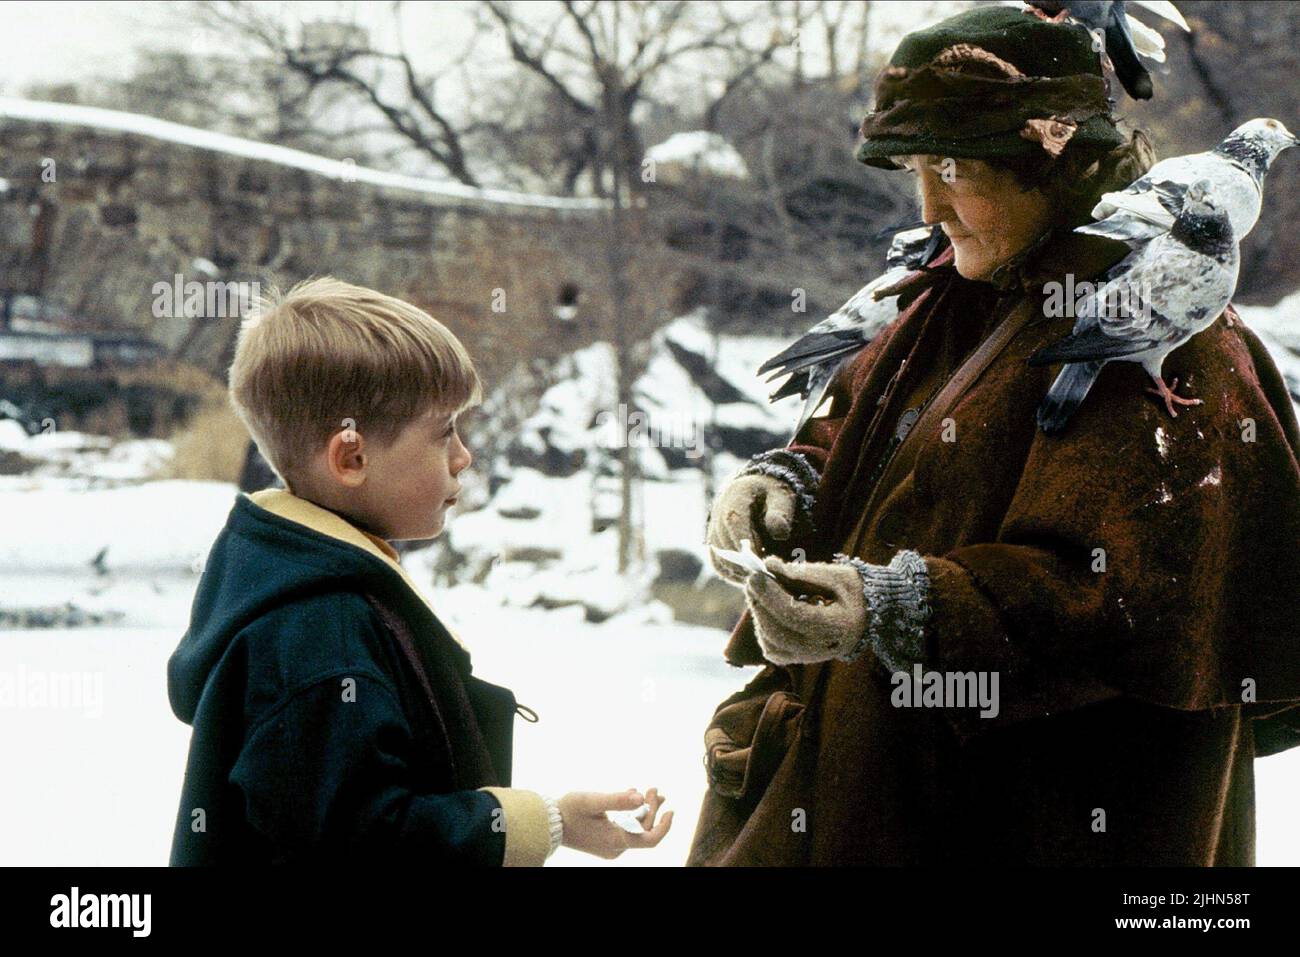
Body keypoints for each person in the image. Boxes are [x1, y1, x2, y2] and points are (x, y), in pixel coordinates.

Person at [690, 4, 1300, 866]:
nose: (931, 204)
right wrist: (788, 485)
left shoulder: (1177, 336)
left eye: (956, 169)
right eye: (917, 168)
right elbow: (867, 438)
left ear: (1055, 165)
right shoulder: (960, 290)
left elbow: (1123, 597)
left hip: (1043, 821)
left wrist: (895, 609)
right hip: (872, 795)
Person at [167, 277, 671, 865]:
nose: (464, 455)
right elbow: (371, 844)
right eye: (444, 433)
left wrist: (559, 821)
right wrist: (536, 821)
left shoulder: (309, 592)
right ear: (351, 458)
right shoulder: (320, 633)